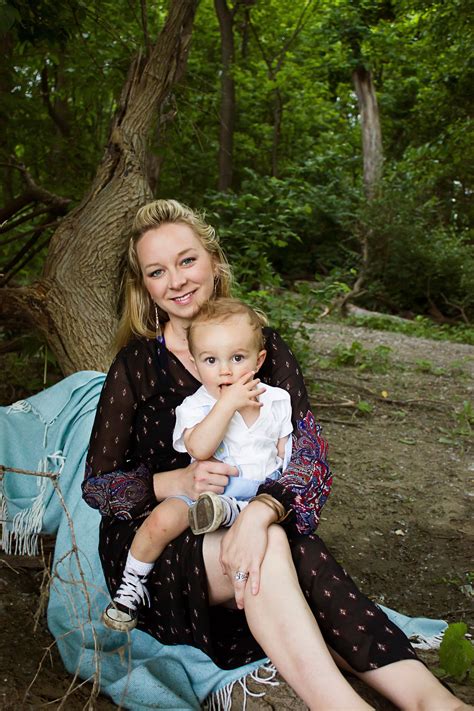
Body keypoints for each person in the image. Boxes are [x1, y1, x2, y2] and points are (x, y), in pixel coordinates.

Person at [82, 199, 470, 710]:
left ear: (214, 262)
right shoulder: (136, 366)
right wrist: (171, 483)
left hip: (247, 521)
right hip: (159, 546)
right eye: (157, 271)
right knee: (279, 549)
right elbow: (97, 487)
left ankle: (434, 704)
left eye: (187, 260)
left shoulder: (266, 348)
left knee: (286, 545)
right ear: (145, 286)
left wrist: (260, 513)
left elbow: (309, 459)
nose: (176, 280)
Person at [102, 297, 293, 632]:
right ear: (195, 362)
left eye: (237, 358)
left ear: (259, 360)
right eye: (210, 360)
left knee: (253, 521)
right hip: (204, 492)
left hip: (256, 498)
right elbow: (200, 448)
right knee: (162, 518)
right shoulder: (197, 405)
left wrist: (276, 496)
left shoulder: (277, 400)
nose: (225, 370)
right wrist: (228, 404)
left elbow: (285, 451)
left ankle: (228, 514)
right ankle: (131, 587)